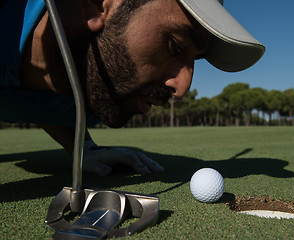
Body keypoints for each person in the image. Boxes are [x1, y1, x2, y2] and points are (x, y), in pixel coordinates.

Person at [0, 0, 265, 176]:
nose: (183, 88)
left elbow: (51, 105)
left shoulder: (96, 91)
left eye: (194, 60)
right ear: (94, 5)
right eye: (175, 45)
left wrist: (83, 149)